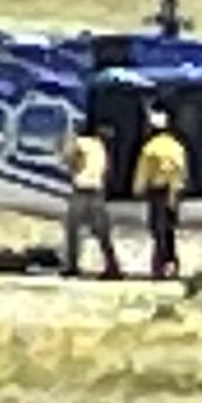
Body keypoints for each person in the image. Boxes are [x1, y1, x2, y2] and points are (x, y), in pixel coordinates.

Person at [58, 114, 120, 280]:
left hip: (81, 190)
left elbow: (68, 158)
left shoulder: (80, 143)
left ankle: (71, 266)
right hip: (97, 191)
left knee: (73, 229)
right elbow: (107, 170)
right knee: (102, 232)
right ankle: (112, 266)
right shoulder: (101, 147)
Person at [131, 103, 188, 281]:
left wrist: (137, 188)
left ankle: (159, 267)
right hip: (174, 190)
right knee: (170, 229)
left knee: (158, 230)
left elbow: (143, 171)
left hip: (158, 191)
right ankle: (173, 264)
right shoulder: (177, 147)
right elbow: (182, 170)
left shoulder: (150, 148)